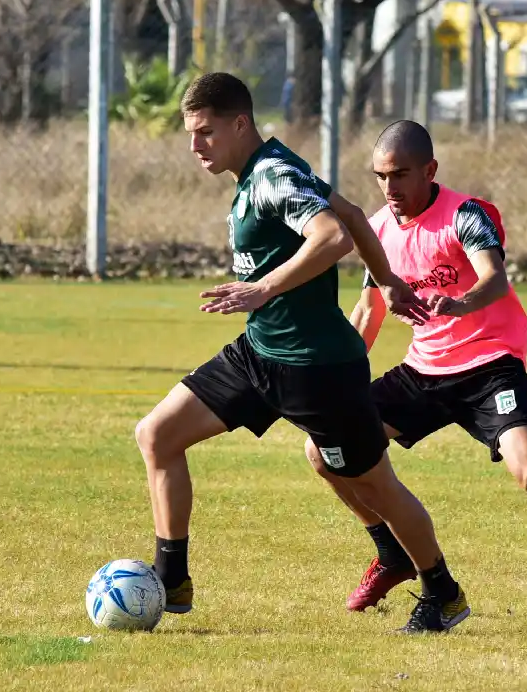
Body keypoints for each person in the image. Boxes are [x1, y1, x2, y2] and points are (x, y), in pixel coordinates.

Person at [135, 73, 471, 634]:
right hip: (261, 353)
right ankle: (172, 579)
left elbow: (334, 235)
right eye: (191, 134)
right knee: (157, 434)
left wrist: (264, 288)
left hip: (320, 371)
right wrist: (386, 281)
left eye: (206, 133)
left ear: (240, 123)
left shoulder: (272, 176)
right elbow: (361, 218)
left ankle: (443, 590)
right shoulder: (271, 167)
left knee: (376, 485)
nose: (196, 146)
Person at [306, 119, 527, 626]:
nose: (390, 187)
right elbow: (369, 312)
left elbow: (493, 279)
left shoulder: (465, 215)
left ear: (430, 170)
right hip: (423, 372)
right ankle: (391, 553)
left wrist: (459, 303)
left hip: (490, 364)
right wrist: (336, 380)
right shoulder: (377, 230)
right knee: (324, 450)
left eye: (401, 175)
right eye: (381, 176)